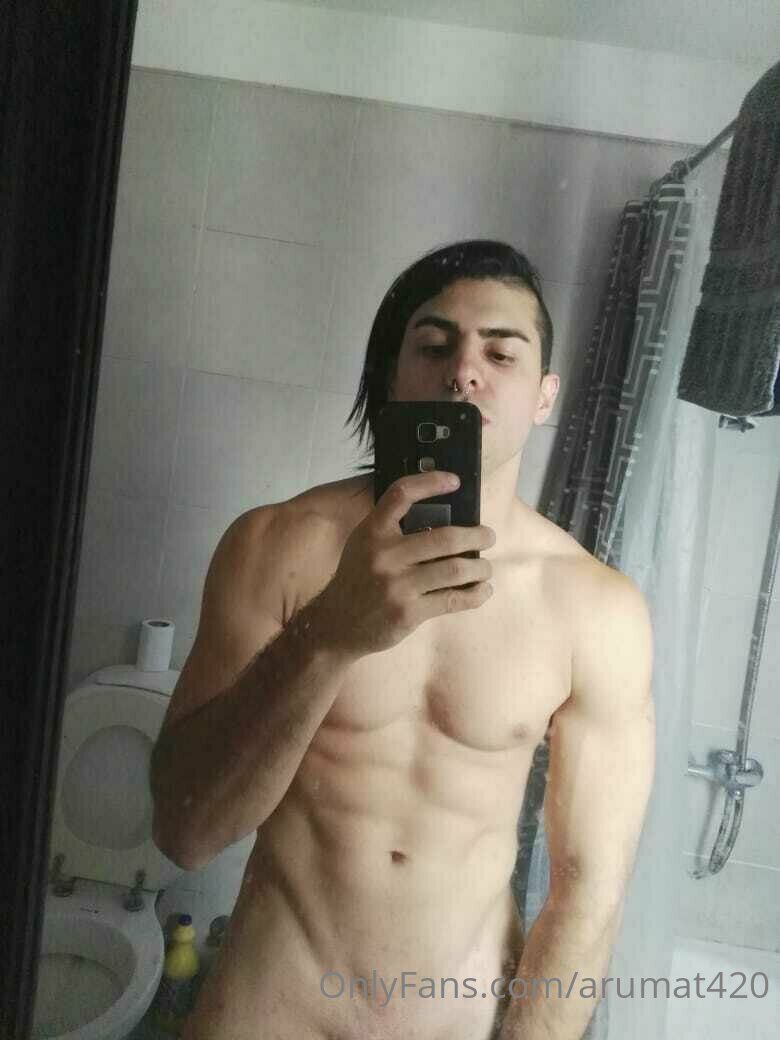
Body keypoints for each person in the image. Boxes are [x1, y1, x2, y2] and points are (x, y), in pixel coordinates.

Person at [150, 240, 655, 1040]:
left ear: (543, 396)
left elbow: (590, 885)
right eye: (434, 346)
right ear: (394, 375)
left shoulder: (597, 610)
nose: (464, 373)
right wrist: (328, 634)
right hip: (272, 1002)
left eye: (500, 353)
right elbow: (185, 834)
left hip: (460, 1016)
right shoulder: (275, 547)